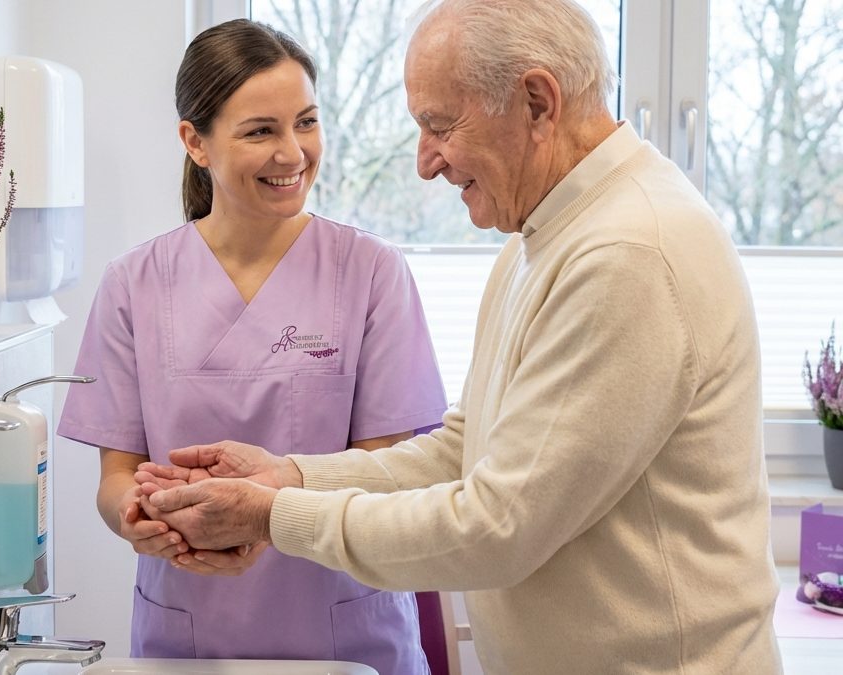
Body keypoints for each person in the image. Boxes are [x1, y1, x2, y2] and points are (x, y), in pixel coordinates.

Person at [136, 1, 785, 673]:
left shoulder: (629, 252)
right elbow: (463, 448)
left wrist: (274, 514)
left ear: (537, 102)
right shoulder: (541, 238)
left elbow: (499, 526)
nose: (424, 162)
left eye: (438, 125)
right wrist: (291, 473)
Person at [56, 18, 447, 674]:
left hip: (345, 633)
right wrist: (138, 518)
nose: (293, 153)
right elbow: (116, 476)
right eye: (261, 130)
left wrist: (267, 516)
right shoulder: (135, 284)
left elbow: (388, 471)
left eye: (306, 121)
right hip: (190, 637)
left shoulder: (372, 273)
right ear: (196, 142)